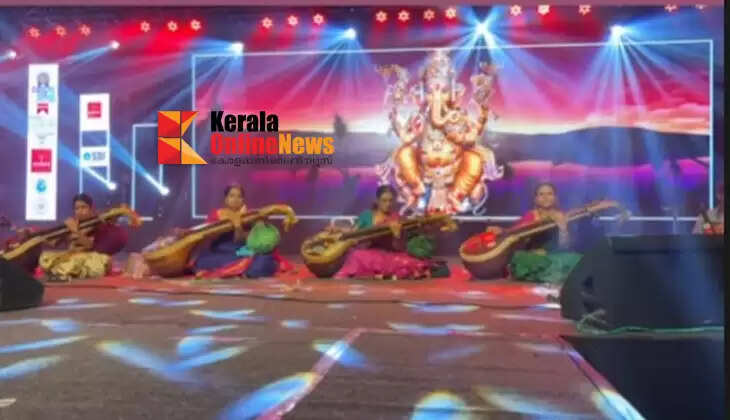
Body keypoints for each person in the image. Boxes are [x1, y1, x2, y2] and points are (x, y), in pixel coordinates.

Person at [333, 185, 444, 280]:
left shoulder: (397, 218)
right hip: (367, 253)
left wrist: (397, 236)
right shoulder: (366, 215)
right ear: (377, 201)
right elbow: (353, 234)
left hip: (388, 255)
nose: (388, 204)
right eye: (384, 200)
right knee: (357, 255)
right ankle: (380, 274)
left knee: (408, 262)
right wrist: (338, 230)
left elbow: (399, 247)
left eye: (391, 200)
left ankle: (381, 274)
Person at [485, 183, 581, 286]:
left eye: (549, 194)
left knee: (575, 259)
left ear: (555, 197)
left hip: (556, 256)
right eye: (541, 194)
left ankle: (549, 274)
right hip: (535, 258)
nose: (545, 197)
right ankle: (549, 274)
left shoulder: (562, 215)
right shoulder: (531, 216)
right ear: (535, 199)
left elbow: (565, 246)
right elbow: (514, 232)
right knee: (521, 258)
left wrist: (563, 228)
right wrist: (502, 231)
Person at [193, 184, 291, 278]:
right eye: (232, 196)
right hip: (223, 251)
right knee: (203, 260)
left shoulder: (250, 215)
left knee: (263, 258)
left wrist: (239, 226)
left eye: (239, 196)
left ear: (243, 200)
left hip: (242, 251)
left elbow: (244, 239)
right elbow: (208, 236)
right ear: (226, 199)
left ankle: (240, 270)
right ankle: (240, 270)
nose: (235, 199)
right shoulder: (217, 214)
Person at [39, 194, 129, 281]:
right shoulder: (73, 222)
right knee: (45, 258)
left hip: (91, 258)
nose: (80, 211)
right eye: (77, 208)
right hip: (72, 256)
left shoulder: (98, 224)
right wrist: (39, 237)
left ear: (91, 209)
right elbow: (53, 242)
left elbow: (91, 246)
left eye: (83, 207)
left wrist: (75, 231)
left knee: (83, 263)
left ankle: (62, 271)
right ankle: (63, 270)